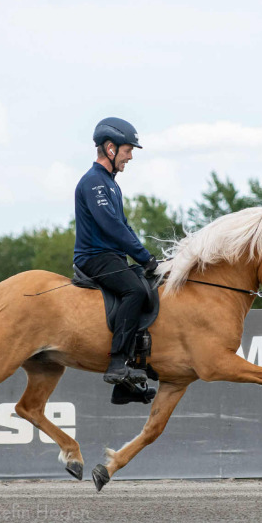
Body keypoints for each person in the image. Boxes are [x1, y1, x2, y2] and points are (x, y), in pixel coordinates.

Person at [74, 117, 159, 386]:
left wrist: (146, 257)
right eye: (127, 150)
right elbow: (110, 226)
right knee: (133, 290)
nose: (130, 157)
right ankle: (117, 362)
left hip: (112, 257)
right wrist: (143, 257)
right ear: (110, 149)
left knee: (148, 285)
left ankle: (131, 377)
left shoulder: (111, 184)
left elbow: (123, 226)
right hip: (94, 258)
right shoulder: (93, 182)